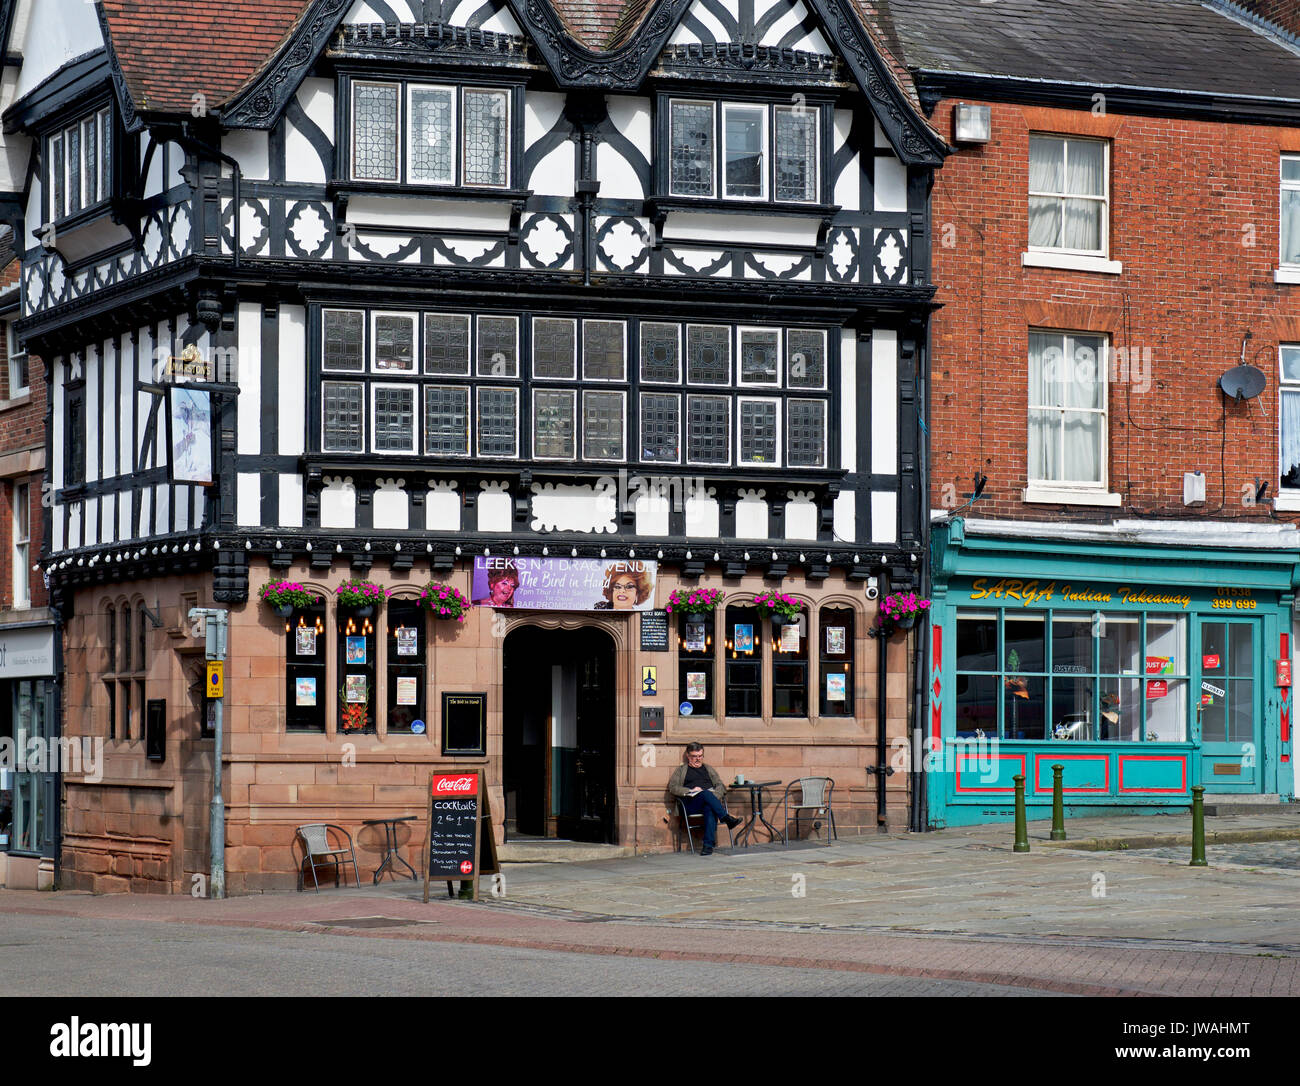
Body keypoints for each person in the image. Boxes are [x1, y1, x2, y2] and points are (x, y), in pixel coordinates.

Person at [668, 742, 741, 855]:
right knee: (704, 794)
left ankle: (707, 846)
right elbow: (672, 787)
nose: (697, 759)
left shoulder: (708, 769)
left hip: (708, 801)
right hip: (690, 803)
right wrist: (690, 791)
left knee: (709, 806)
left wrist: (713, 796)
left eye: (700, 756)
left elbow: (720, 786)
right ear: (688, 756)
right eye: (694, 756)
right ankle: (726, 818)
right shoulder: (681, 770)